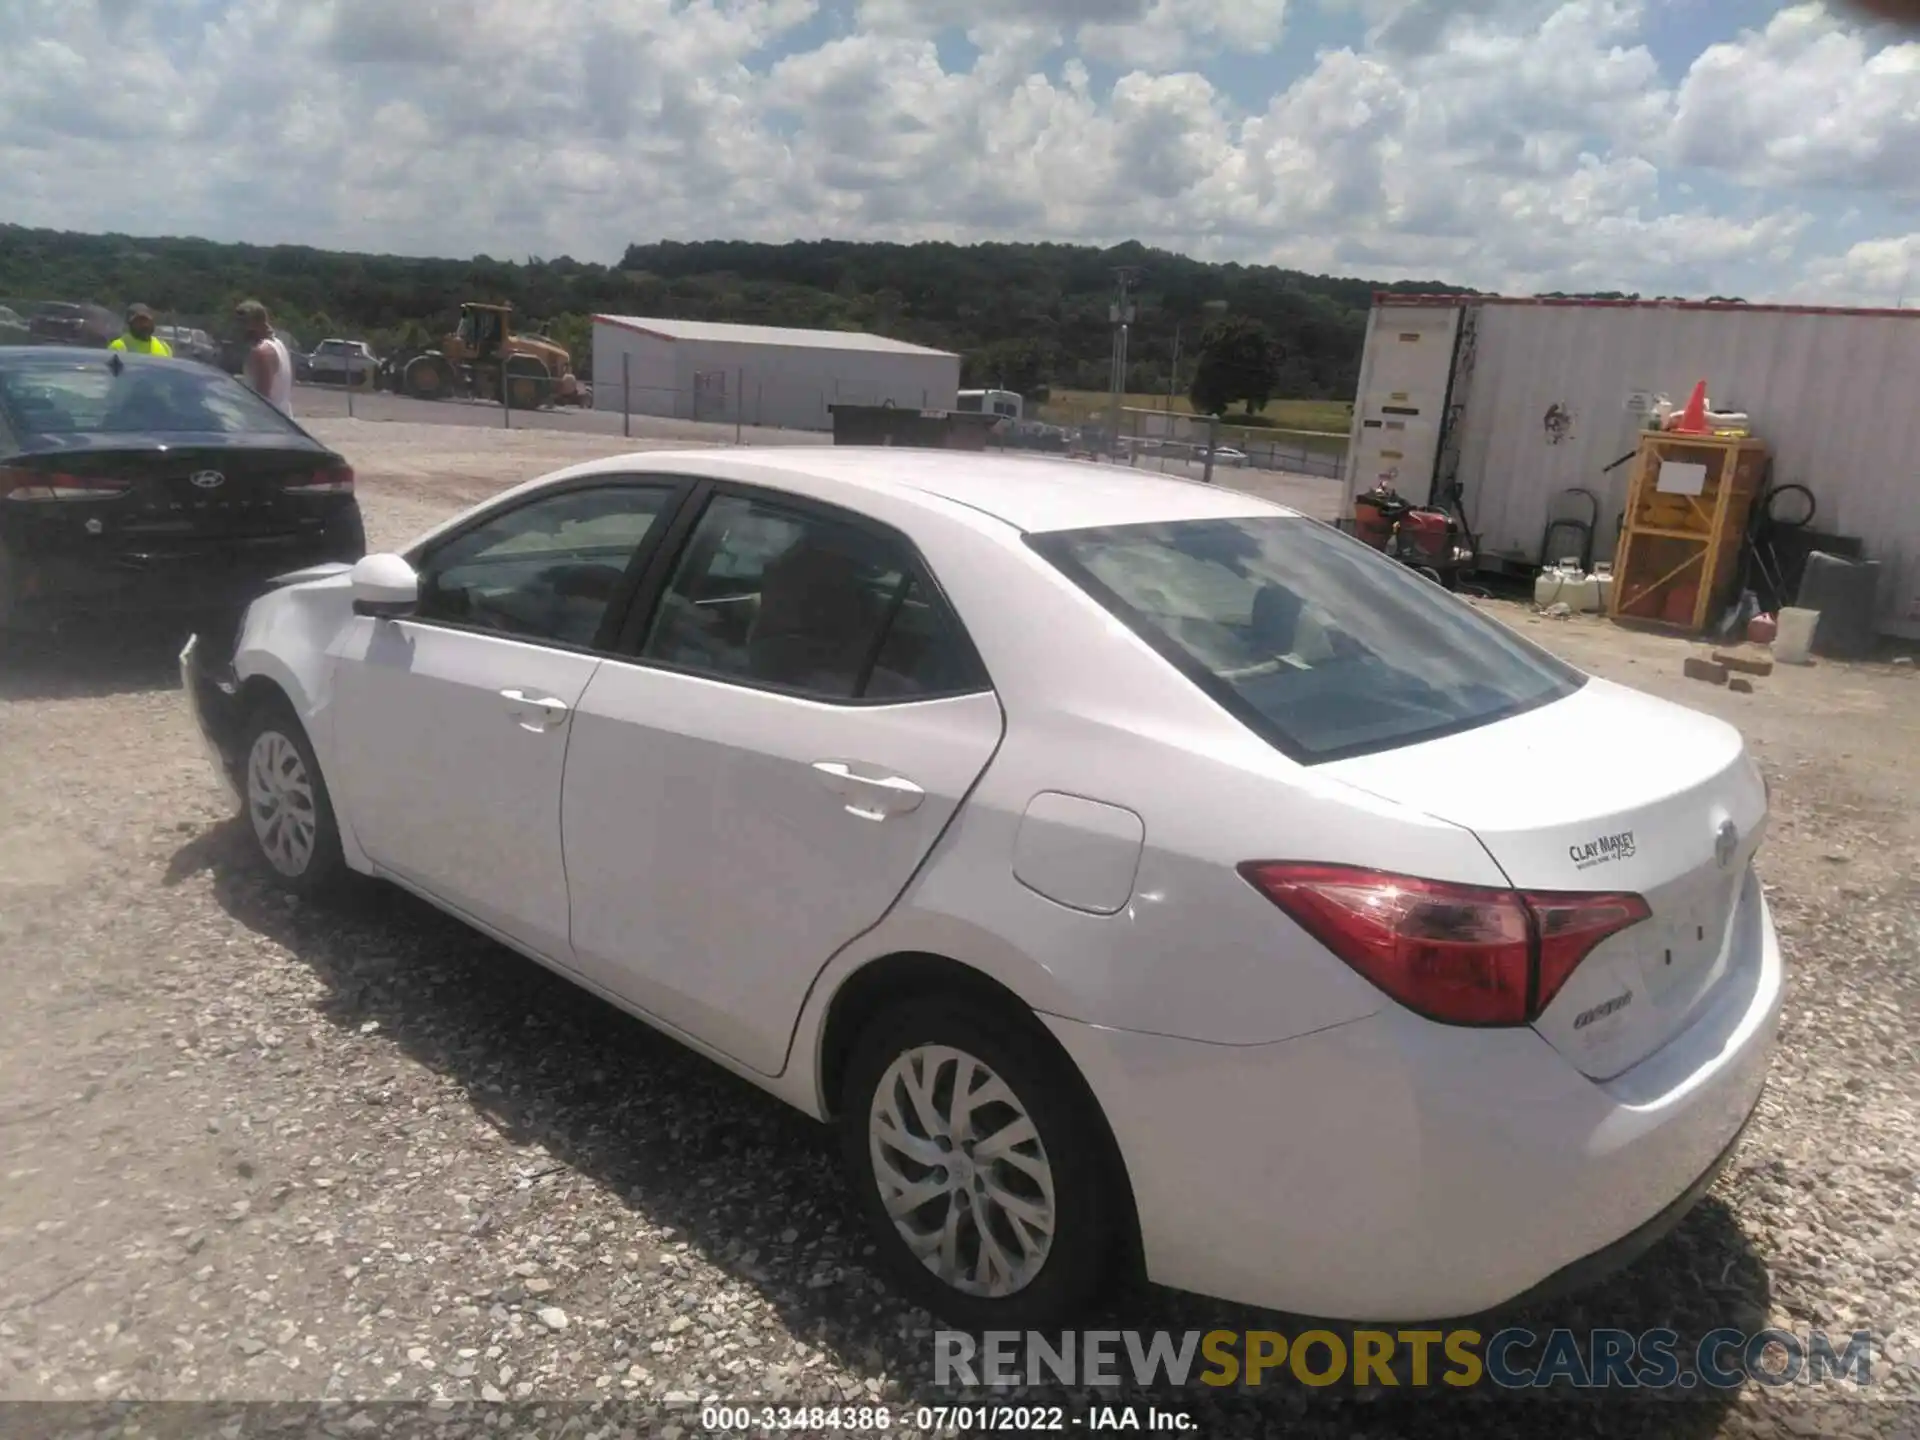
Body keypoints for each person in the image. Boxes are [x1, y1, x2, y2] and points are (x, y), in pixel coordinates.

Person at [234, 299, 293, 417]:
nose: (238, 330)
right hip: (283, 419)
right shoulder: (278, 344)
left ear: (254, 324)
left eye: (242, 324)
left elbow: (262, 398)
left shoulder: (261, 352)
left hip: (267, 423)